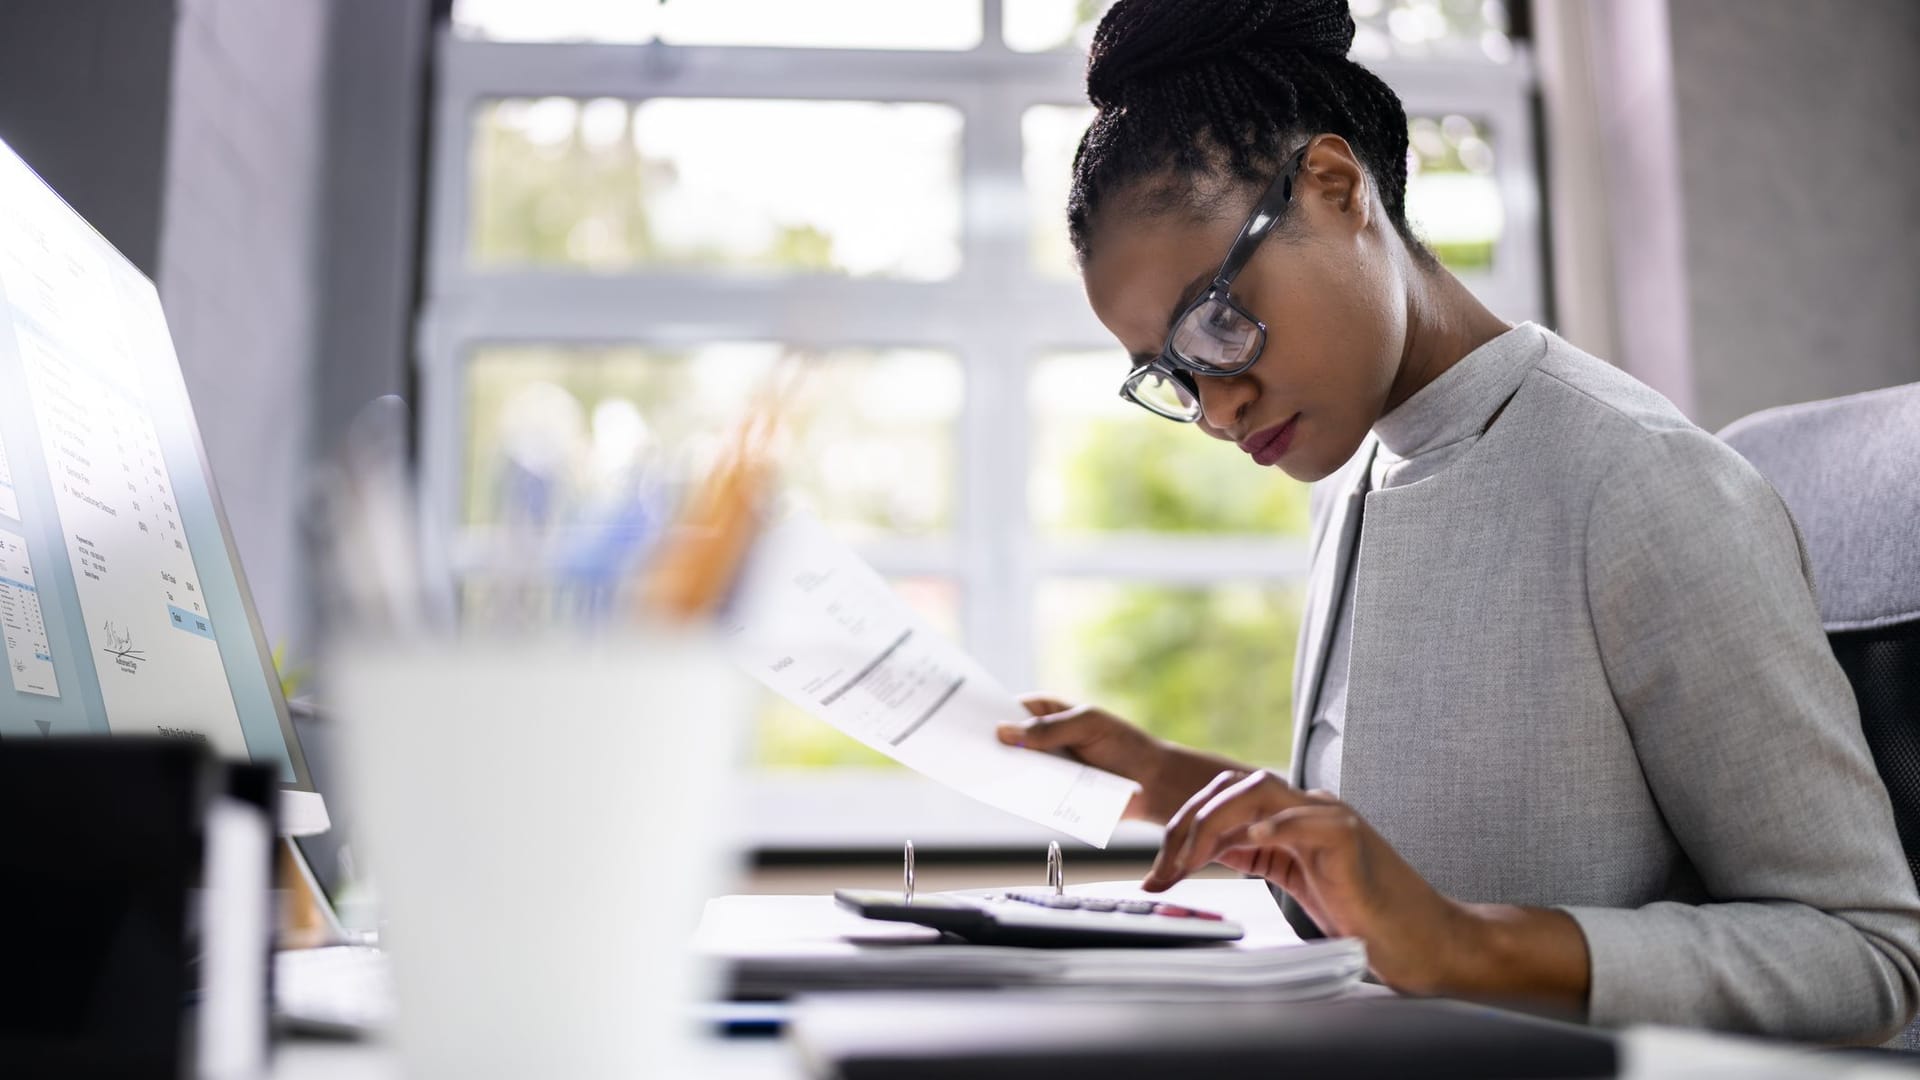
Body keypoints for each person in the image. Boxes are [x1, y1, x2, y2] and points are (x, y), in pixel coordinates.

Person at [996, 0, 1920, 1045]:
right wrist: (1176, 782)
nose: (1213, 407)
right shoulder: (1355, 477)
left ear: (1339, 190)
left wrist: (1466, 944)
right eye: (1168, 373)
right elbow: (1394, 879)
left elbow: (1868, 956)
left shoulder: (1638, 483)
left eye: (1216, 324)